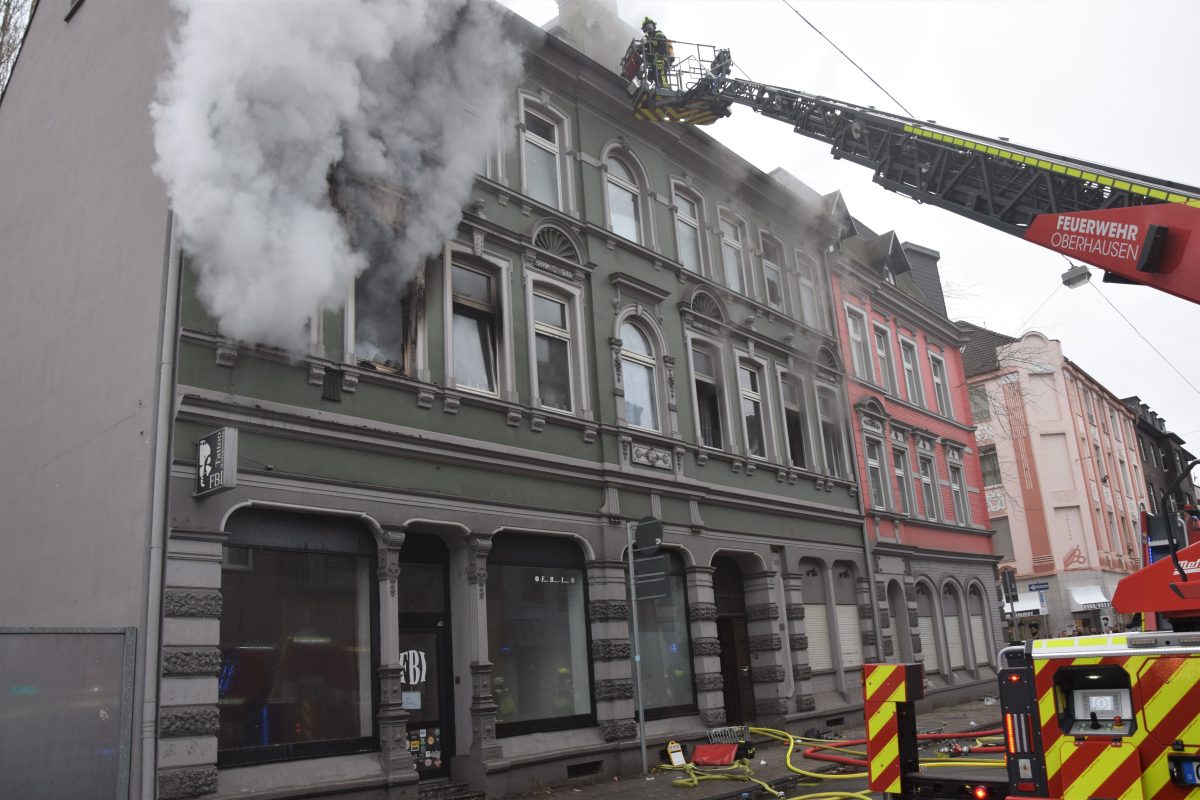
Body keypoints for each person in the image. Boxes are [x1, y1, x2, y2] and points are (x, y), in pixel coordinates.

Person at [641, 17, 673, 90]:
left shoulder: (658, 33)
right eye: (646, 26)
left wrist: (648, 43)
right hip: (653, 61)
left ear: (653, 26)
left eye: (649, 25)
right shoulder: (646, 37)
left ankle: (664, 87)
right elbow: (645, 49)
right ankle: (658, 87)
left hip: (662, 58)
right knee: (651, 75)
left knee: (660, 68)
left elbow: (660, 42)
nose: (648, 27)